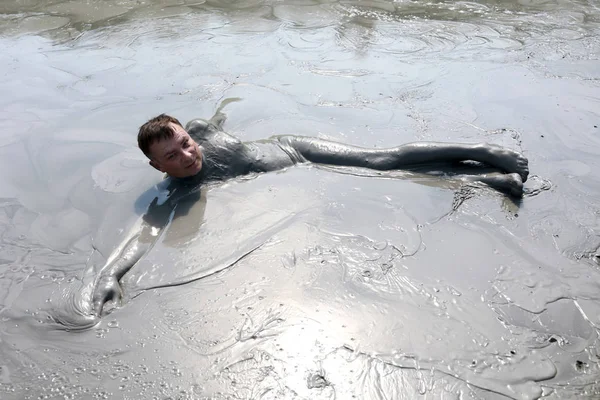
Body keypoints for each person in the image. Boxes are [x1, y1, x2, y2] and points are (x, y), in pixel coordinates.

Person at [90, 107, 529, 318]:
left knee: (382, 161)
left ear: (189, 134)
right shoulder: (179, 188)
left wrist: (222, 107)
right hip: (303, 168)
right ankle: (488, 181)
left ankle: (483, 152)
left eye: (185, 143)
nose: (187, 155)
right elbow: (145, 232)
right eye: (172, 154)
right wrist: (112, 274)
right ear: (157, 165)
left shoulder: (201, 133)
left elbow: (216, 117)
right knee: (384, 176)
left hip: (295, 149)